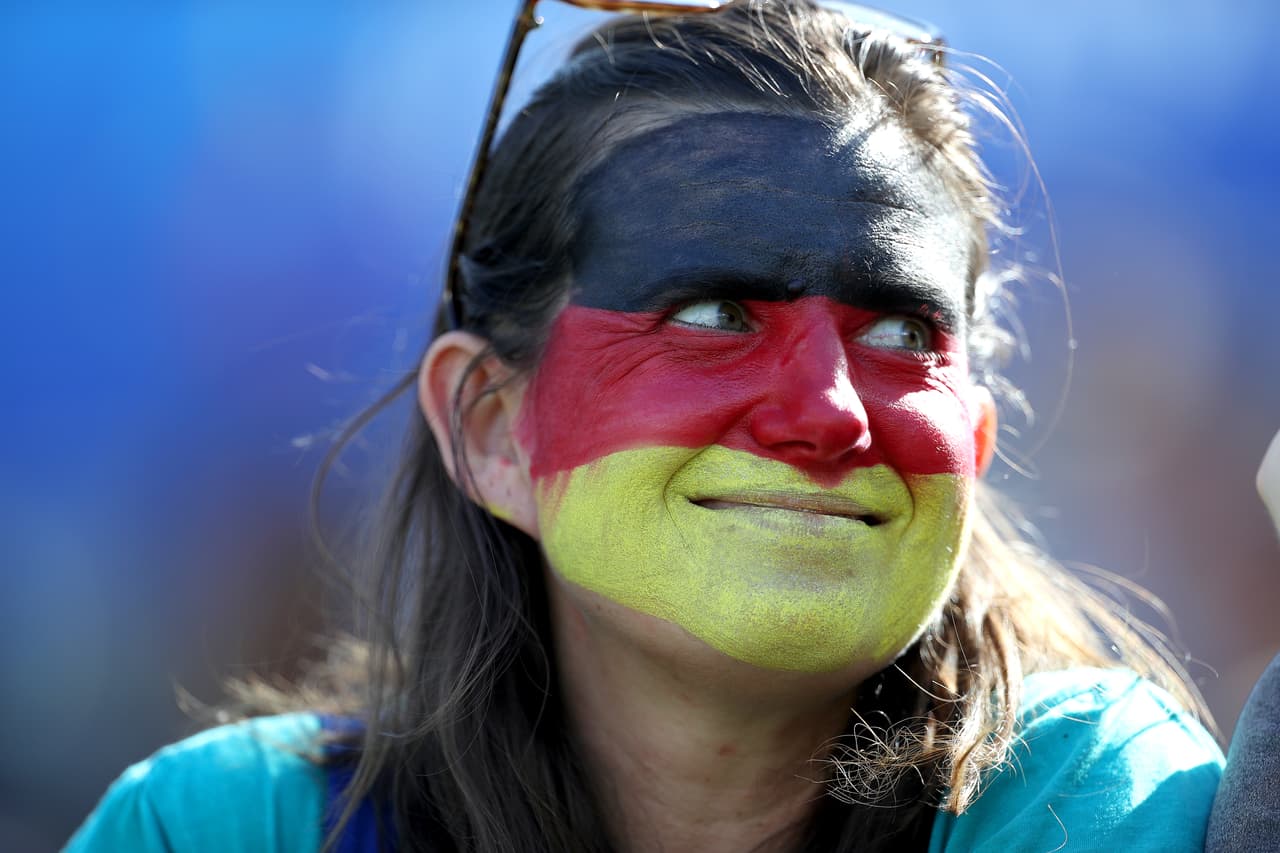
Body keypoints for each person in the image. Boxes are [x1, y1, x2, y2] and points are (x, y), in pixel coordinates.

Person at [67, 2, 1227, 851]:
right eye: (713, 314)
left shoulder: (1095, 801)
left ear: (968, 444)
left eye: (892, 334)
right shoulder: (227, 827)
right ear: (490, 429)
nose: (825, 414)